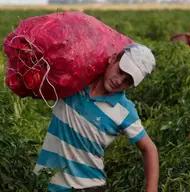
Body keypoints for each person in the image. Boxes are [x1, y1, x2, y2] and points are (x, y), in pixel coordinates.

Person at [34, 43, 159, 192]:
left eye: (127, 81)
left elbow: (149, 148)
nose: (119, 81)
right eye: (120, 71)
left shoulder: (124, 110)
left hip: (86, 187)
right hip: (44, 182)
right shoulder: (76, 82)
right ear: (113, 59)